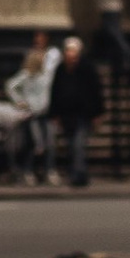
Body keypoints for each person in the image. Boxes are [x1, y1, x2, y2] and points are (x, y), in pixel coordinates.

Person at [48, 31, 106, 186]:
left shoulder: (87, 68)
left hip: (83, 114)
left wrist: (98, 113)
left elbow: (95, 91)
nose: (70, 54)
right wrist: (55, 113)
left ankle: (78, 175)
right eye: (68, 51)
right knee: (72, 146)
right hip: (67, 114)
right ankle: (79, 173)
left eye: (73, 51)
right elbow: (55, 91)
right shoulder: (61, 69)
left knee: (78, 144)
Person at [5, 28, 59, 181]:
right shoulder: (27, 75)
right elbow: (10, 85)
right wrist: (20, 102)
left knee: (48, 142)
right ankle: (28, 171)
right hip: (32, 112)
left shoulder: (45, 76)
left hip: (45, 111)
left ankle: (49, 170)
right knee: (32, 144)